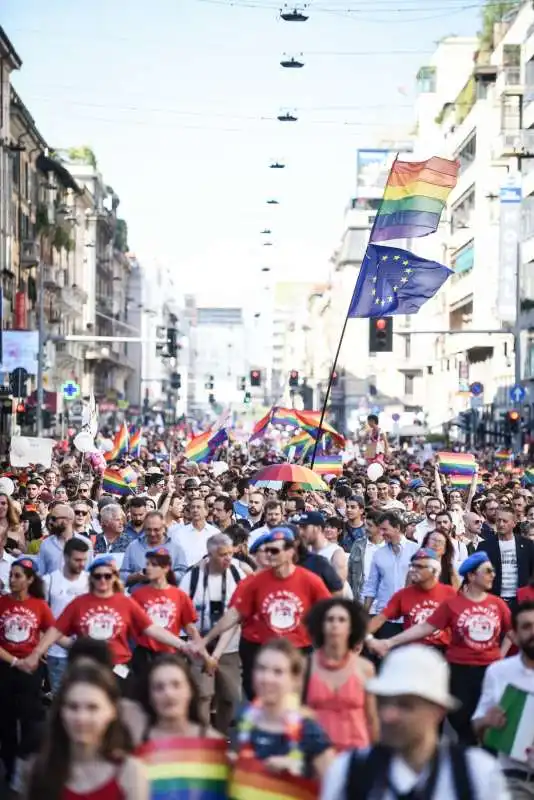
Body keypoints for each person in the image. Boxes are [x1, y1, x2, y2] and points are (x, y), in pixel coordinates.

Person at [321, 645, 511, 800]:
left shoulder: (475, 772)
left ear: (438, 711)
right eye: (383, 703)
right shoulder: (349, 771)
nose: (388, 715)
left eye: (406, 705)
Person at [370, 551, 512, 745]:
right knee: (462, 721)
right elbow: (425, 627)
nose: (492, 575)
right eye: (487, 571)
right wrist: (390, 642)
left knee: (492, 720)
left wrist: (501, 658)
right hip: (459, 670)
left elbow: (515, 634)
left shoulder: (498, 605)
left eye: (492, 571)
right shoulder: (452, 604)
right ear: (471, 575)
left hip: (489, 672)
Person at [195, 527, 330, 695]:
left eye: (274, 551)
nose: (269, 555)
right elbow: (235, 614)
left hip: (297, 650)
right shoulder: (255, 582)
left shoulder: (310, 581)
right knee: (258, 700)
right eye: (266, 550)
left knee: (295, 700)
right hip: (260, 650)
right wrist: (207, 639)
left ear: (290, 552)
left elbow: (329, 613)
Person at [20, 555, 194, 678]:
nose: (103, 580)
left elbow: (151, 628)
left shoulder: (126, 602)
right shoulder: (79, 603)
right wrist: (36, 653)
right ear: (91, 578)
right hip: (88, 668)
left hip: (118, 667)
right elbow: (56, 631)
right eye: (98, 576)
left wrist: (183, 645)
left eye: (107, 576)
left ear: (114, 578)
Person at [25, 662, 148, 800]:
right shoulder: (40, 770)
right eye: (73, 707)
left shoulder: (130, 772)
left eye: (92, 708)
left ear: (112, 711)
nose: (81, 718)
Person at [234, 639, 334, 780]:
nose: (267, 678)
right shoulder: (245, 718)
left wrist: (297, 770)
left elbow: (334, 788)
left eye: (278, 672)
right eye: (261, 669)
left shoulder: (308, 730)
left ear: (295, 680)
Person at [135, 654, 228, 798]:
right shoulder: (136, 746)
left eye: (176, 685)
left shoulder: (214, 743)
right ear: (149, 696)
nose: (169, 694)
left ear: (190, 690)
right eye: (159, 688)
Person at [179, 532, 245, 734]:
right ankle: (204, 736)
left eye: (230, 554)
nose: (228, 559)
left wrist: (215, 655)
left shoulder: (237, 574)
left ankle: (223, 735)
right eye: (222, 554)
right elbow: (185, 616)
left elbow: (238, 615)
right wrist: (202, 649)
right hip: (199, 644)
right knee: (202, 695)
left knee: (230, 695)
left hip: (229, 646)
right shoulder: (192, 577)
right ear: (209, 554)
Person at [0, 557, 55, 783]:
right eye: (11, 575)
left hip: (32, 670)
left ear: (30, 580)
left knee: (31, 720)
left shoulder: (39, 605)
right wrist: (14, 661)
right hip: (5, 669)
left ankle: (27, 766)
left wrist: (38, 651)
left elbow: (52, 630)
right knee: (6, 722)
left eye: (17, 576)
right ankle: (11, 768)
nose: (12, 580)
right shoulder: (2, 603)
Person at [473, 600, 534, 798]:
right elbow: (478, 728)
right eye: (527, 627)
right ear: (514, 637)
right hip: (515, 778)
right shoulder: (499, 672)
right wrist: (487, 721)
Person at [305, 598, 378, 751]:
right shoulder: (306, 666)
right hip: (317, 754)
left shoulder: (365, 668)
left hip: (356, 754)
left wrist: (376, 757)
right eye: (330, 619)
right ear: (321, 625)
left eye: (342, 620)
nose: (335, 624)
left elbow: (372, 718)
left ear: (351, 627)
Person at [367, 548, 457, 652]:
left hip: (442, 651)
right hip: (412, 652)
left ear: (434, 571)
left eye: (419, 566)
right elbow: (379, 619)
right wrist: (365, 638)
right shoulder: (403, 595)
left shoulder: (449, 593)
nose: (413, 570)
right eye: (412, 566)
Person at [130, 547, 199, 681]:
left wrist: (202, 652)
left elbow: (190, 627)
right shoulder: (137, 595)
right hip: (145, 654)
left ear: (166, 568)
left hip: (171, 654)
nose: (148, 568)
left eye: (153, 565)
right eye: (147, 564)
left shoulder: (179, 595)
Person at [43, 537, 90, 693]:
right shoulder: (49, 581)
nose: (81, 564)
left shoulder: (90, 580)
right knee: (60, 698)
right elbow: (42, 617)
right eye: (77, 560)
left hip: (85, 651)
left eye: (84, 559)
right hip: (57, 652)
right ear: (65, 557)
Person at [362, 511, 419, 635]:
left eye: (384, 529)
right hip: (385, 616)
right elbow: (371, 586)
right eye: (380, 530)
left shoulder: (416, 550)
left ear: (397, 528)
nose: (381, 533)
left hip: (411, 616)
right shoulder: (379, 554)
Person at [477, 505, 534, 610]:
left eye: (505, 521)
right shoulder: (484, 546)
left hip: (521, 602)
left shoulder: (528, 545)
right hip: (494, 601)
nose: (501, 524)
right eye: (498, 520)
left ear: (514, 523)